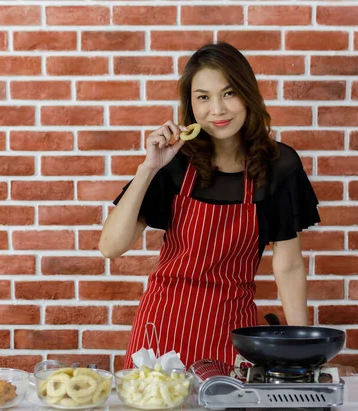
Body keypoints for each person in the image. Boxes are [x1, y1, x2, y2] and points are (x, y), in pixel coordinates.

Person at [99, 42, 321, 369]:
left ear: (248, 94)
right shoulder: (175, 162)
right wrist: (148, 167)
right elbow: (110, 246)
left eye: (229, 93)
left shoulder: (277, 165)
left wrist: (302, 352)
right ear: (191, 105)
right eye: (203, 97)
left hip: (233, 330)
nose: (217, 109)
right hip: (161, 328)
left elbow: (288, 267)